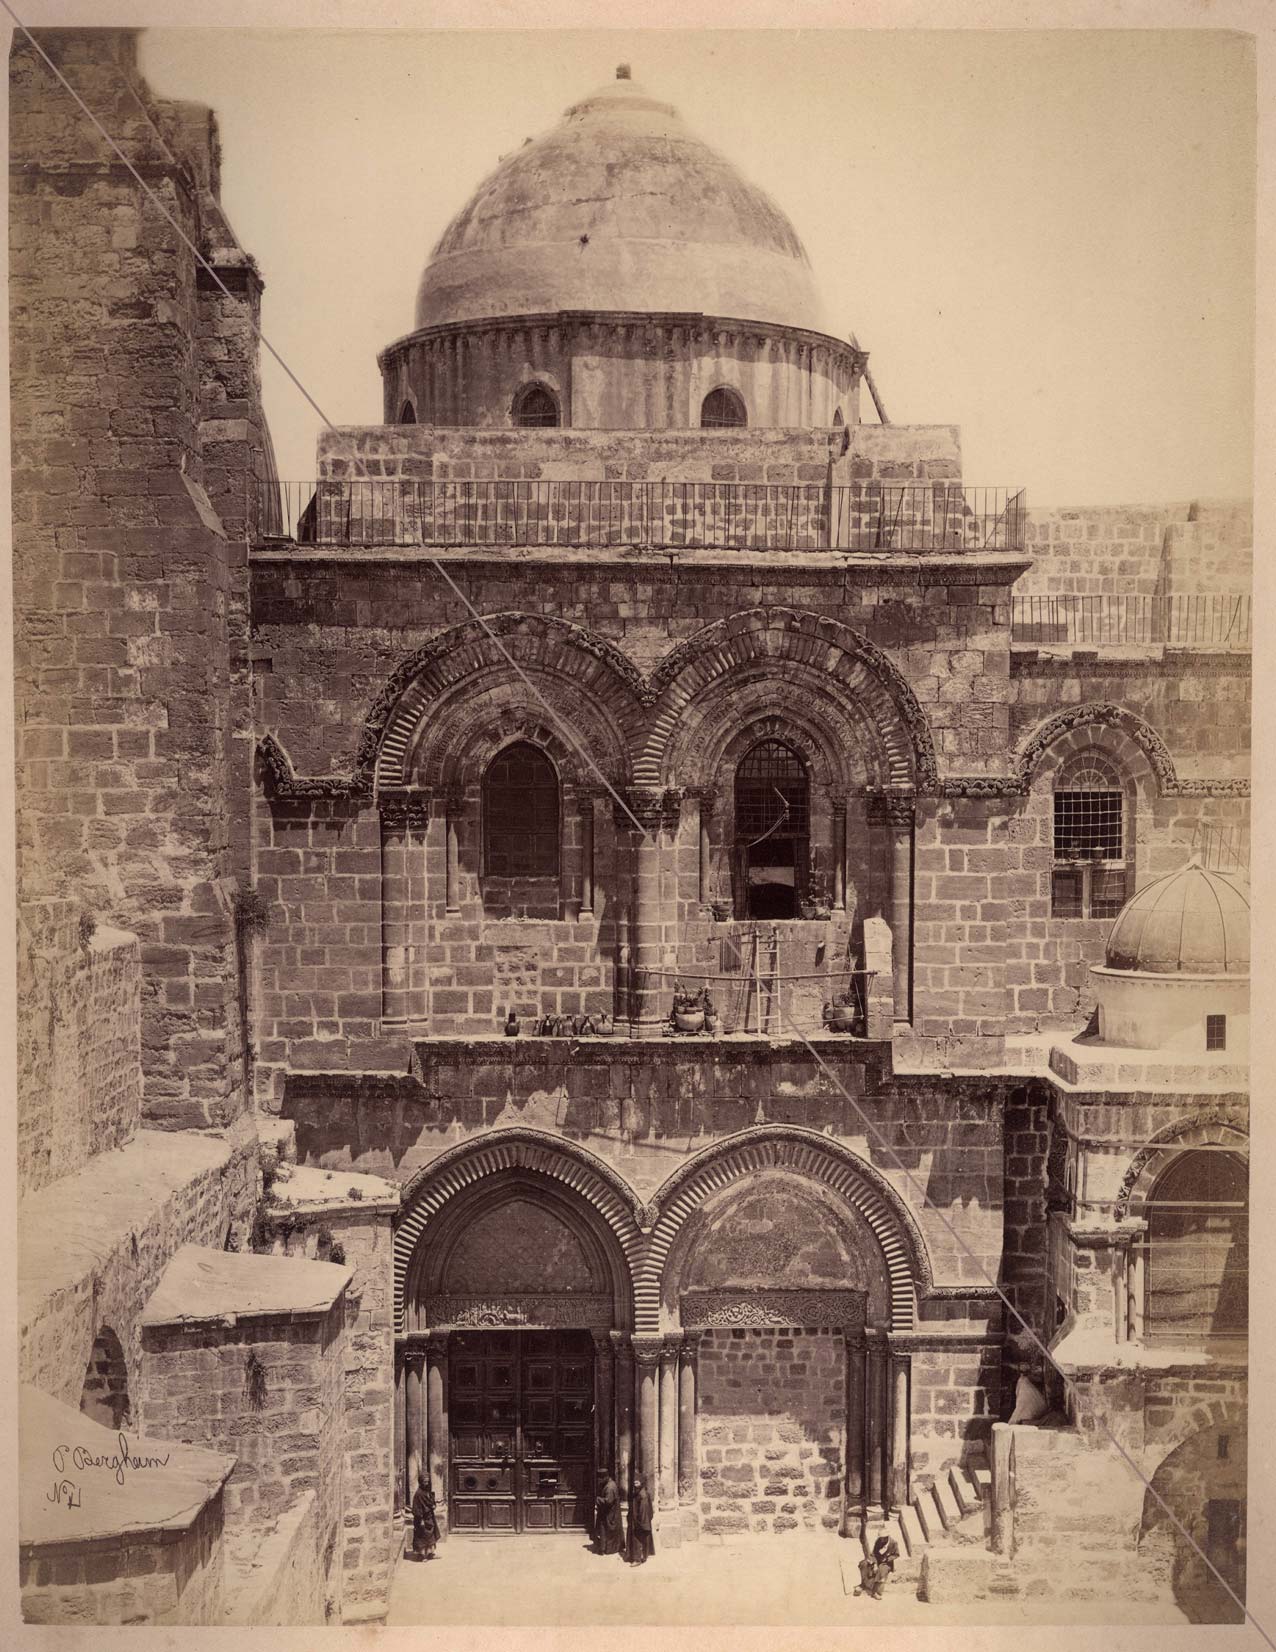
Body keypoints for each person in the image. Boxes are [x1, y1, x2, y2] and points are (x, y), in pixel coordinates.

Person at [854, 1533, 899, 1600]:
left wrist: (887, 1558)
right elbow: (874, 1553)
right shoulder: (878, 1540)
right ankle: (863, 1584)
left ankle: (875, 1592)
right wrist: (874, 1563)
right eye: (881, 1538)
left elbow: (896, 1555)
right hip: (877, 1560)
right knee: (863, 1563)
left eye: (883, 1538)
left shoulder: (893, 1543)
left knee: (881, 1569)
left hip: (887, 1563)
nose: (881, 1540)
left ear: (887, 1537)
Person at [594, 1469, 624, 1556]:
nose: (599, 1480)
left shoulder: (610, 1487)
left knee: (607, 1530)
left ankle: (608, 1549)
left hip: (610, 1514)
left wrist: (598, 1499)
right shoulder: (609, 1484)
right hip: (610, 1513)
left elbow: (608, 1501)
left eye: (601, 1478)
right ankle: (608, 1548)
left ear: (605, 1477)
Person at [409, 1472, 439, 1561]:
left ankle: (430, 1553)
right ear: (420, 1482)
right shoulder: (418, 1494)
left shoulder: (426, 1492)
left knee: (430, 1536)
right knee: (422, 1536)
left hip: (429, 1517)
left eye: (427, 1482)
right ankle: (421, 1555)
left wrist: (433, 1505)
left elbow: (430, 1502)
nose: (426, 1483)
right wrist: (421, 1519)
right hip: (422, 1519)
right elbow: (417, 1508)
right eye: (424, 1482)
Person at [627, 1472, 654, 1565]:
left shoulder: (643, 1496)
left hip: (640, 1522)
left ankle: (637, 1559)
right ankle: (643, 1556)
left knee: (637, 1539)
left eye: (637, 1483)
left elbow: (644, 1511)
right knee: (642, 1539)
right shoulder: (639, 1493)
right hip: (638, 1520)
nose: (635, 1485)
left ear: (641, 1483)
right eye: (634, 1483)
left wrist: (641, 1524)